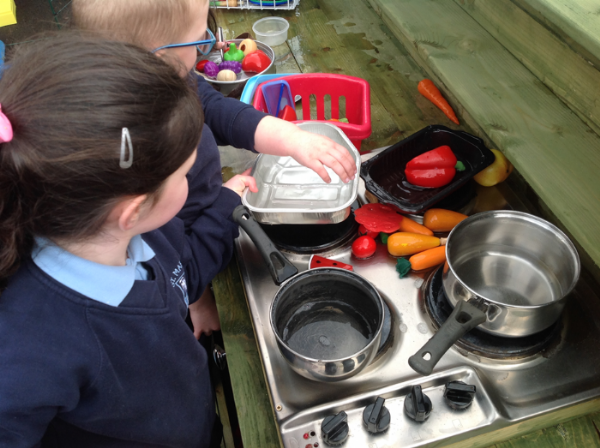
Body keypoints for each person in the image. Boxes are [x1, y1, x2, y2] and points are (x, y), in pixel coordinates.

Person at [0, 33, 253, 448]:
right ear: (133, 209)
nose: (192, 179)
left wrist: (227, 203)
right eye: (184, 174)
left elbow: (181, 273)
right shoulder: (32, 345)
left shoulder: (142, 233)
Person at [71, 0, 358, 339]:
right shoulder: (132, 162)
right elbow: (180, 266)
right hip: (195, 235)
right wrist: (223, 208)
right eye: (202, 39)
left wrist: (290, 138)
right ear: (159, 56)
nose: (217, 45)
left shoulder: (172, 77)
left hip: (199, 214)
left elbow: (211, 106)